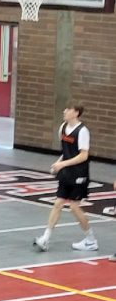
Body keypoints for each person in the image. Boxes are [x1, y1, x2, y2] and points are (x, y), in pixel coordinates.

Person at [34, 103, 97, 252]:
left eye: (68, 109)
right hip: (66, 172)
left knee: (74, 207)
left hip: (79, 173)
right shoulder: (62, 127)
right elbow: (66, 152)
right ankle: (46, 238)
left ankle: (91, 240)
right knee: (58, 204)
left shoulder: (82, 131)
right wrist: (58, 163)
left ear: (76, 113)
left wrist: (63, 165)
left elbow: (83, 155)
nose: (64, 111)